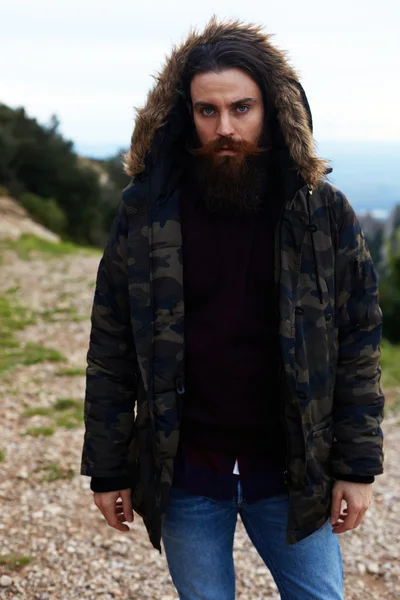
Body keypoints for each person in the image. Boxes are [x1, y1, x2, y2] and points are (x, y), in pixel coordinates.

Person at [81, 18, 385, 600]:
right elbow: (112, 345)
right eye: (207, 112)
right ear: (184, 114)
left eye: (241, 108)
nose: (225, 128)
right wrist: (110, 466)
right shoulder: (147, 213)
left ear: (272, 108)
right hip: (187, 473)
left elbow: (359, 342)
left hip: (293, 472)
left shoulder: (323, 214)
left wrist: (356, 466)